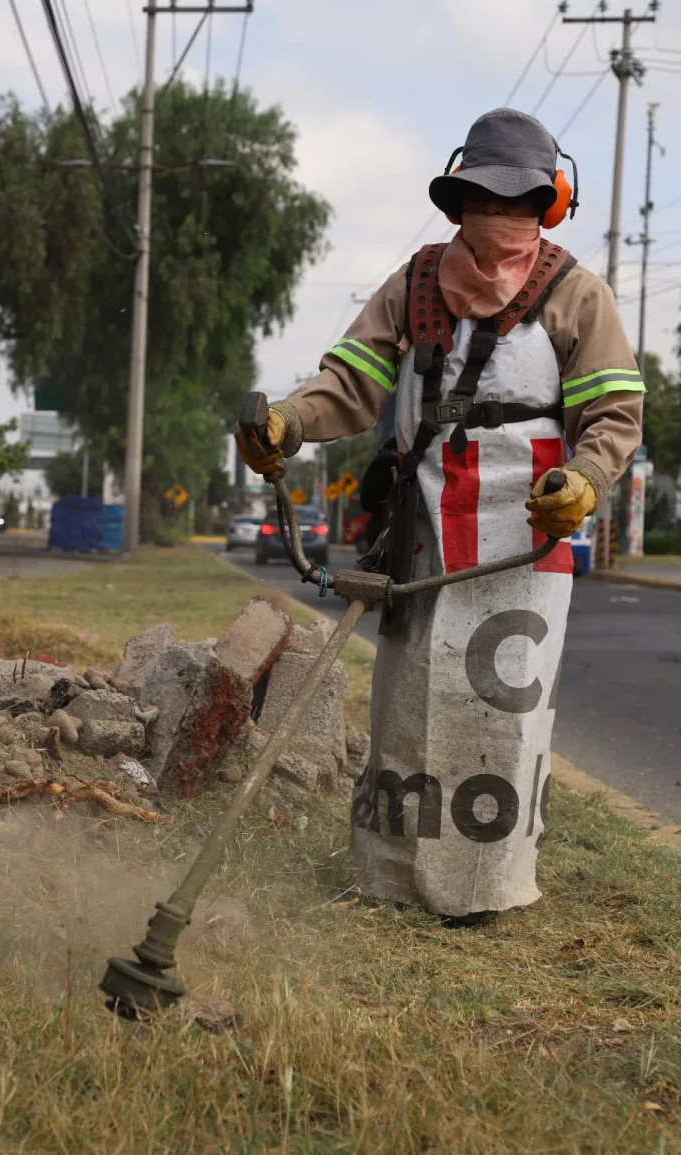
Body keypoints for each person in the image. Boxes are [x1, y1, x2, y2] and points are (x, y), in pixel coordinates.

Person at [235, 108, 644, 922]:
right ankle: (392, 879)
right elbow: (348, 385)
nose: (501, 221)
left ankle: (485, 889)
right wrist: (287, 421)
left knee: (504, 708)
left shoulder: (577, 294)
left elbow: (614, 414)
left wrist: (588, 479)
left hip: (526, 544)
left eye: (519, 203)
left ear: (548, 203)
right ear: (457, 203)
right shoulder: (414, 283)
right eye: (486, 202)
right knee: (409, 698)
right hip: (422, 533)